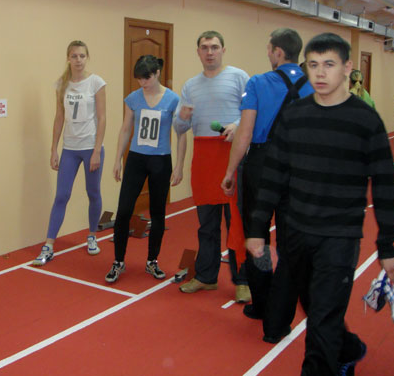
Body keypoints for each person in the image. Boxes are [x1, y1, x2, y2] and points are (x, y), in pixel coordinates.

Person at [248, 32, 394, 375]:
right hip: (297, 232)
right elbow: (274, 175)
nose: (320, 73)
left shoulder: (365, 120)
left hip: (339, 236)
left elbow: (385, 185)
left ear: (347, 67)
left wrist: (387, 245)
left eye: (329, 64)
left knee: (322, 319)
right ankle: (348, 349)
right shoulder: (294, 115)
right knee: (316, 309)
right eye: (314, 65)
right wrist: (258, 228)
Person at [221, 28, 312, 343]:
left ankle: (260, 305)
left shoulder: (258, 83)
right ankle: (277, 323)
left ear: (277, 52)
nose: (268, 53)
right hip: (298, 168)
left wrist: (230, 171)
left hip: (262, 165)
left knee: (256, 238)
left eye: (269, 49)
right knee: (289, 245)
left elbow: (244, 133)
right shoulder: (315, 84)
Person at [174, 31, 251, 302]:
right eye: (205, 47)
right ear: (198, 52)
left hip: (233, 157)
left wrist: (237, 125)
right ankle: (206, 277)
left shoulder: (239, 77)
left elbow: (252, 113)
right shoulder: (190, 86)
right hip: (204, 159)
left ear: (223, 50)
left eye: (215, 47)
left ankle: (243, 280)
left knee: (236, 223)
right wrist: (182, 118)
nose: (210, 52)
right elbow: (179, 128)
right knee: (207, 224)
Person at [105, 55, 185, 283]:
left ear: (157, 73)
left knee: (158, 213)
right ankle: (118, 261)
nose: (143, 83)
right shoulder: (133, 98)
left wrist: (179, 165)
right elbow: (125, 129)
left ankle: (152, 261)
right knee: (123, 211)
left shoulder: (172, 100)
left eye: (147, 78)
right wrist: (118, 159)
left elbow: (181, 134)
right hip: (137, 160)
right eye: (139, 79)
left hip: (161, 160)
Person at [33, 40, 106, 265]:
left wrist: (96, 150)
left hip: (90, 147)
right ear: (68, 58)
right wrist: (53, 149)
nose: (78, 60)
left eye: (82, 56)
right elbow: (59, 118)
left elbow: (102, 118)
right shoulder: (62, 84)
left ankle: (92, 235)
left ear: (87, 58)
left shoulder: (96, 82)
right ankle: (48, 245)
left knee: (93, 192)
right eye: (74, 56)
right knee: (62, 195)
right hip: (70, 149)